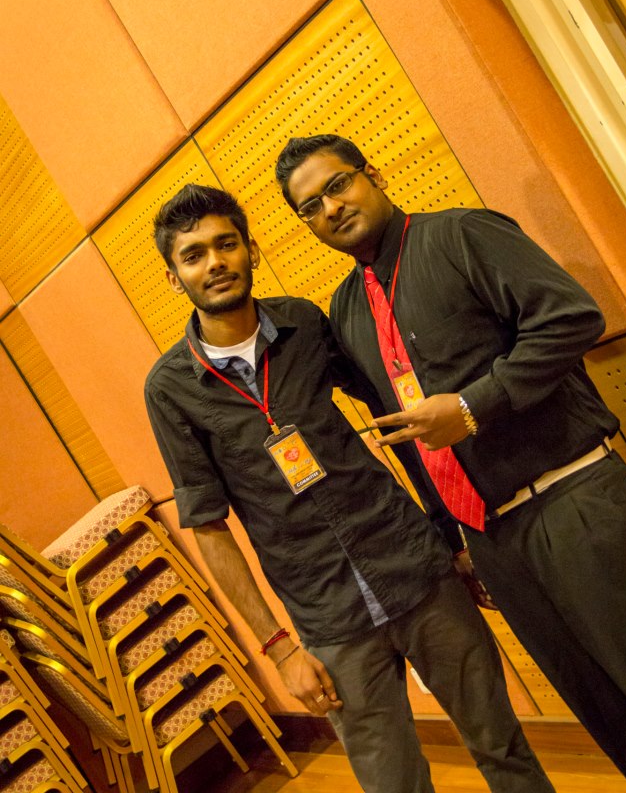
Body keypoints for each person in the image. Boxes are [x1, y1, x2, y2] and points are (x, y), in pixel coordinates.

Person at [144, 183, 555, 793]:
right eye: (194, 254)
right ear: (175, 277)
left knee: (504, 748)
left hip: (415, 569)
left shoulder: (305, 323)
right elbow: (207, 525)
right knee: (393, 784)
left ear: (251, 248)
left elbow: (403, 420)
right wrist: (280, 649)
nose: (215, 263)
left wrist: (451, 537)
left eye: (226, 244)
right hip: (327, 614)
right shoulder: (170, 388)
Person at [275, 134, 626, 789]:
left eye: (337, 185)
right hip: (494, 543)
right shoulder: (348, 308)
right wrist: (454, 540)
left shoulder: (462, 234)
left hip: (575, 502)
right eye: (310, 206)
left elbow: (571, 317)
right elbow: (409, 433)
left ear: (372, 174)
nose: (330, 207)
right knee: (605, 711)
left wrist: (474, 406)